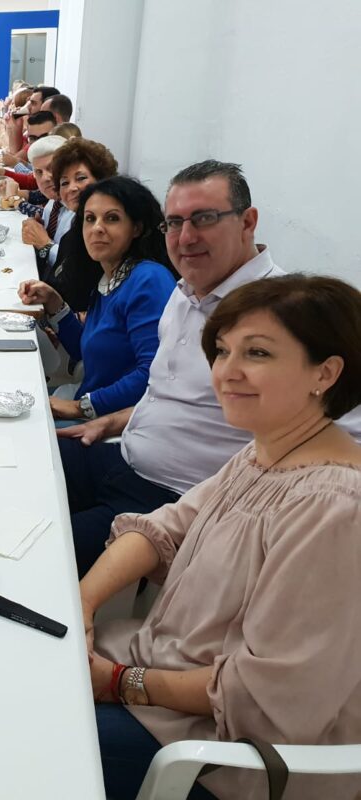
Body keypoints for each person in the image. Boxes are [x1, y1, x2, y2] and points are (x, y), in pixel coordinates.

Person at [84, 274, 361, 800]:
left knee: (17, 736)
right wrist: (83, 601)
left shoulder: (336, 508)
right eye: (222, 351)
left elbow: (271, 693)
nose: (226, 372)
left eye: (257, 353)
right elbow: (164, 527)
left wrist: (119, 682)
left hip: (224, 753)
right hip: (152, 679)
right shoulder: (265, 452)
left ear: (325, 373)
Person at [58, 160, 291, 576]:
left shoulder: (288, 314)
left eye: (204, 219)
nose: (186, 237)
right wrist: (110, 422)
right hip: (120, 457)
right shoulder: (185, 292)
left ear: (248, 222)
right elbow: (166, 391)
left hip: (173, 501)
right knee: (14, 464)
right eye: (175, 223)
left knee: (38, 557)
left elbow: (338, 446)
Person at [19, 176, 178, 422]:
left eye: (112, 218)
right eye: (90, 218)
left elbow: (154, 373)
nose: (97, 228)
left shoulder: (148, 279)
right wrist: (54, 303)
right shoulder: (108, 276)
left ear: (137, 228)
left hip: (114, 425)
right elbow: (88, 351)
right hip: (91, 404)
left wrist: (80, 407)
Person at [45, 137, 120, 312]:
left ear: (102, 179)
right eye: (64, 183)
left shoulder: (106, 237)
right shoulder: (71, 235)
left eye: (80, 178)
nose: (72, 188)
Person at [19, 135, 74, 274]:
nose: (45, 178)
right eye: (39, 172)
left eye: (51, 168)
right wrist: (37, 229)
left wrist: (45, 244)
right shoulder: (52, 203)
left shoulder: (80, 210)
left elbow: (74, 267)